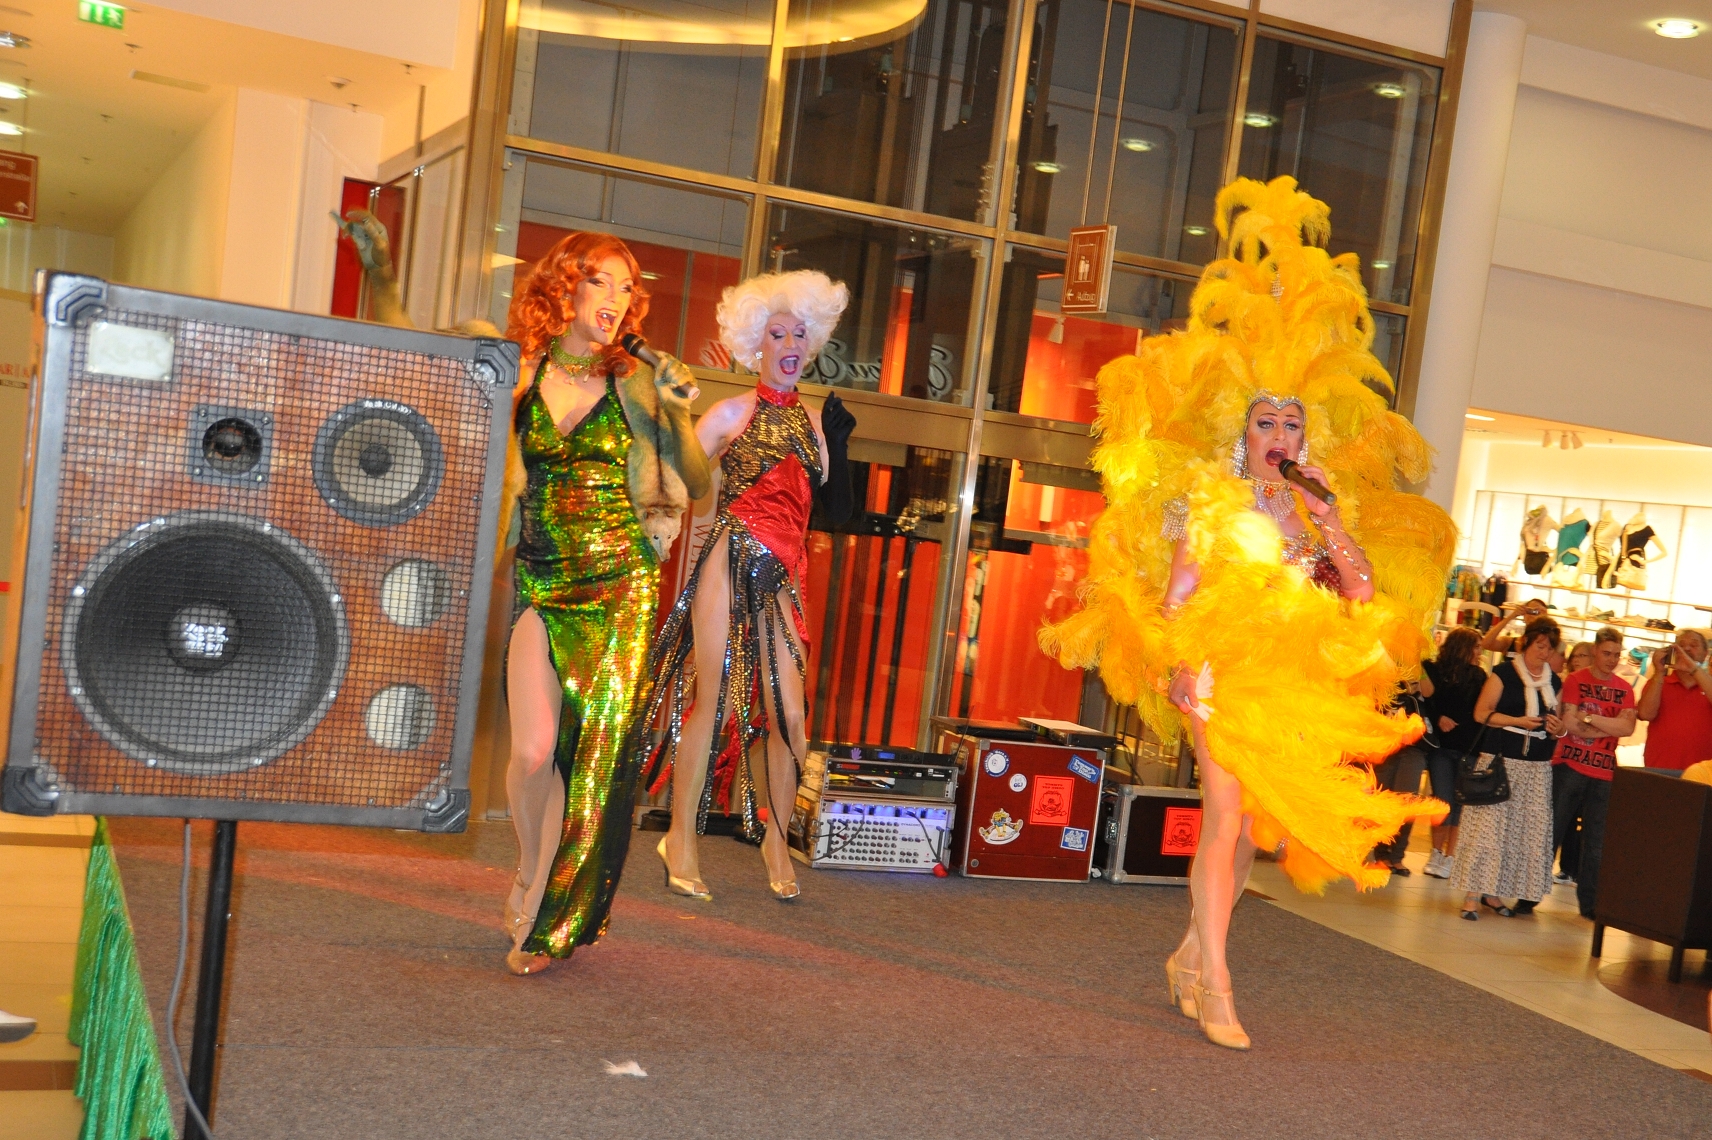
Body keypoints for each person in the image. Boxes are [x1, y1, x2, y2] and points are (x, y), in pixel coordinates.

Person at [1041, 177, 1452, 1050]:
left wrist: (1330, 518)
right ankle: (1219, 984)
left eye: (1293, 426)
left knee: (1252, 834)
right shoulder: (1212, 501)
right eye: (1267, 422)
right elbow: (1176, 599)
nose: (1280, 437)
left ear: (1307, 440)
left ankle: (1191, 955)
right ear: (1244, 432)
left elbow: (1361, 592)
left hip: (1286, 679)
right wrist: (1178, 665)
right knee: (1223, 818)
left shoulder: (1315, 509)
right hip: (1217, 672)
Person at [499, 233, 712, 975]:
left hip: (621, 581)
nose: (616, 299)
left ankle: (547, 913)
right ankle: (530, 862)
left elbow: (698, 483)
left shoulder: (642, 382)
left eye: (627, 287)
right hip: (542, 576)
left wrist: (679, 414)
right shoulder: (519, 371)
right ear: (564, 288)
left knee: (590, 760)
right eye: (600, 281)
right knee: (532, 751)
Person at [648, 271, 857, 903]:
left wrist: (840, 447)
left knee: (790, 714)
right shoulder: (731, 413)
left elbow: (838, 514)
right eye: (777, 333)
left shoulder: (817, 424)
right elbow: (676, 479)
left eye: (800, 333)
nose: (790, 344)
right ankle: (679, 837)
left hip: (787, 573)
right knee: (710, 702)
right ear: (755, 343)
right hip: (728, 558)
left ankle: (775, 838)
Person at [1452, 616, 1565, 920]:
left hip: (1536, 767)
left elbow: (1558, 722)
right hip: (1501, 761)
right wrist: (1516, 721)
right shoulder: (1503, 674)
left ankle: (1494, 893)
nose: (1544, 653)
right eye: (1540, 645)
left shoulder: (1554, 682)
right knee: (1487, 830)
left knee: (1519, 832)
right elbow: (1481, 713)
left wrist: (1558, 729)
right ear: (1526, 643)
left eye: (1549, 648)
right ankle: (1472, 895)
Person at [1550, 625, 1636, 918]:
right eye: (1607, 653)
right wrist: (1607, 726)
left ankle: (1590, 905)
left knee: (1596, 842)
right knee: (1553, 831)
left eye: (1616, 654)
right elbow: (1569, 723)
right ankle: (1529, 895)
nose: (1612, 659)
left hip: (1604, 773)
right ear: (1596, 650)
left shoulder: (1625, 689)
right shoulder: (1576, 680)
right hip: (1570, 765)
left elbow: (1627, 727)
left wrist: (1588, 718)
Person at [1420, 627, 1487, 879]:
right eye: (1476, 647)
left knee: (1460, 805)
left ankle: (1450, 856)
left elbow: (1481, 712)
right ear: (1463, 647)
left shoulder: (1479, 676)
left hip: (1470, 748)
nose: (1480, 652)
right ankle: (1436, 852)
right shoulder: (1434, 670)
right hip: (1441, 746)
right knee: (1441, 801)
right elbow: (1427, 701)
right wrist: (1439, 718)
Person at [1638, 629, 1712, 775]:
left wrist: (1693, 668)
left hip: (1702, 775)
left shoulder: (1708, 686)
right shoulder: (1658, 682)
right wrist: (1659, 672)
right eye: (1681, 646)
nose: (1686, 649)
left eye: (1693, 645)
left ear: (1705, 654)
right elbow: (1646, 714)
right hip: (1659, 769)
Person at [1552, 641, 1594, 885]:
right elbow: (1566, 719)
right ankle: (1562, 867)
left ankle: (1573, 867)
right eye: (1574, 655)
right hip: (1563, 756)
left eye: (1582, 655)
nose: (1576, 659)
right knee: (1561, 816)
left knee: (1582, 819)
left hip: (1591, 761)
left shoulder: (1601, 688)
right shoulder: (1565, 684)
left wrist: (1587, 721)